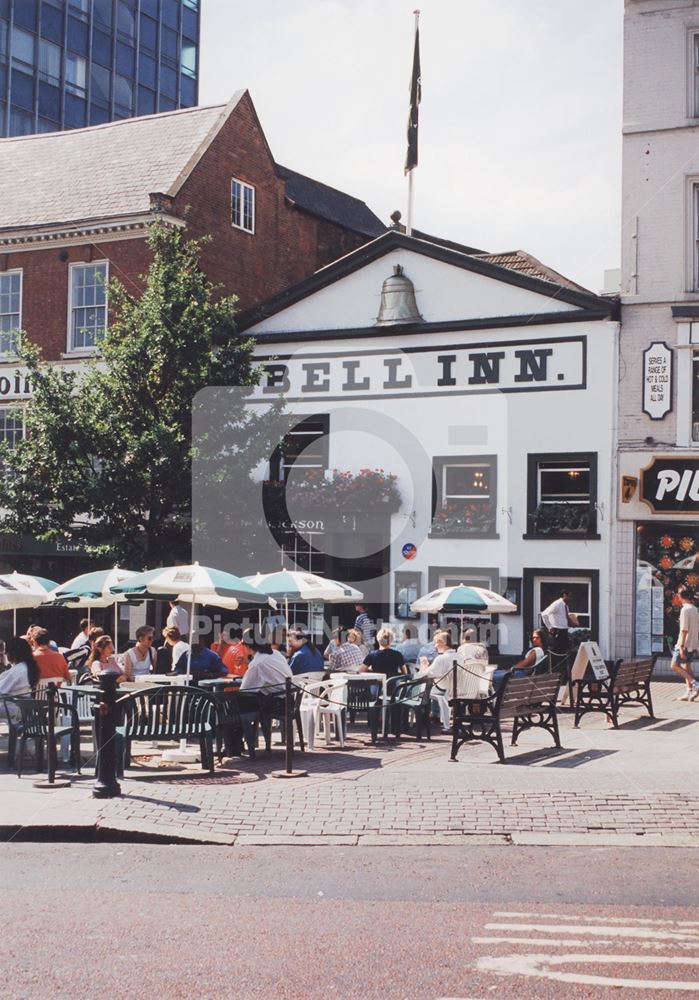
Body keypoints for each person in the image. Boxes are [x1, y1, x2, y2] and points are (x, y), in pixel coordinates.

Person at [415, 629, 463, 732]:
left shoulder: (441, 658)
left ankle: (421, 721)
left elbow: (425, 675)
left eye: (437, 643)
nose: (435, 646)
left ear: (444, 643)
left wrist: (424, 665)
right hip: (457, 690)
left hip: (442, 689)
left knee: (418, 690)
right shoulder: (460, 657)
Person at [239, 628, 292, 694]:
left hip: (278, 701)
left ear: (247, 646)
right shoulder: (276, 653)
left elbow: (244, 690)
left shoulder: (257, 663)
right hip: (290, 696)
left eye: (242, 644)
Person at [672, 586, 699, 701]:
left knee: (674, 665)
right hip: (692, 643)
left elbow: (684, 630)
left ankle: (695, 684)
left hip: (684, 643)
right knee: (686, 666)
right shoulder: (694, 609)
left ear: (680, 596)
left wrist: (681, 647)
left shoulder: (684, 610)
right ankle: (689, 692)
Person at [0, 637, 40, 711]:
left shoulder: (16, 672)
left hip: (8, 710)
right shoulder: (28, 667)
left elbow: (1, 690)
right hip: (21, 709)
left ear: (12, 653)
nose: (6, 655)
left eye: (6, 652)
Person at [541, 589, 578, 655]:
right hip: (558, 630)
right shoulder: (557, 604)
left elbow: (564, 618)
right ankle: (555, 664)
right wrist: (549, 627)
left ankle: (562, 665)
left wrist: (573, 624)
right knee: (557, 651)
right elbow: (544, 614)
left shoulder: (566, 606)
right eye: (569, 596)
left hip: (564, 630)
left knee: (563, 651)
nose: (571, 598)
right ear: (564, 595)